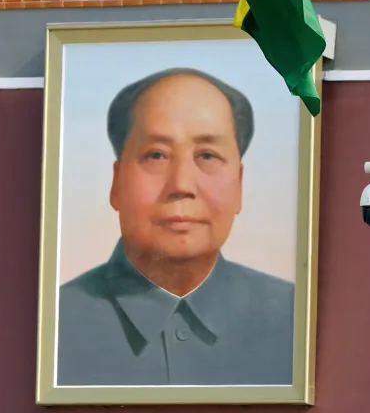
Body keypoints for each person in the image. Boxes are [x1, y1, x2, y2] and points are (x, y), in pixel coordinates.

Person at [56, 68, 295, 387]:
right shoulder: (55, 323)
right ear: (116, 183)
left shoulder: (295, 317)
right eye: (156, 155)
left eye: (207, 155)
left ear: (239, 185)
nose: (181, 184)